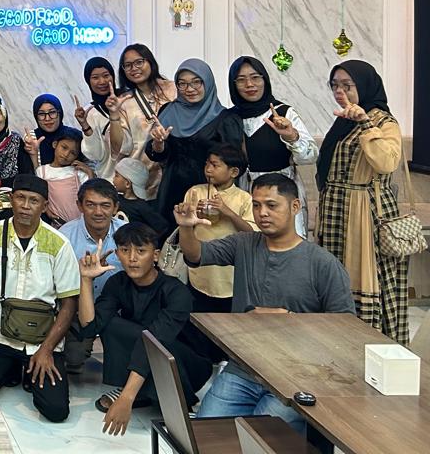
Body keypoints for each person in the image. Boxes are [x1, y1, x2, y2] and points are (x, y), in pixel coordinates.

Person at [177, 173, 354, 432]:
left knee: (259, 438)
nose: (262, 213)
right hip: (244, 368)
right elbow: (197, 255)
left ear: (295, 206)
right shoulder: (244, 244)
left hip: (296, 376)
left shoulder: (322, 263)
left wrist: (289, 319)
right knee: (206, 434)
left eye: (272, 205)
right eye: (257, 205)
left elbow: (345, 326)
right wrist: (186, 227)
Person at [0, 175, 80, 423]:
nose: (25, 206)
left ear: (44, 206)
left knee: (56, 411)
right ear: (11, 200)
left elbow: (69, 304)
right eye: (20, 198)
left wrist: (47, 350)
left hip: (41, 341)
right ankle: (12, 367)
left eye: (34, 200)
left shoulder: (59, 243)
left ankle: (25, 368)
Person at [77, 223, 210, 435]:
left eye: (140, 251)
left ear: (155, 255)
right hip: (148, 352)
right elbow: (90, 327)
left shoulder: (175, 292)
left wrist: (126, 398)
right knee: (112, 324)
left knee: (150, 339)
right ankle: (142, 392)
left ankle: (159, 396)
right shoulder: (118, 283)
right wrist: (85, 279)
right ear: (117, 254)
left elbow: (155, 340)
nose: (132, 258)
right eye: (125, 250)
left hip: (187, 364)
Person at [317, 60, 409, 344]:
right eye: (335, 85)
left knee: (365, 276)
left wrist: (366, 124)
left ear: (365, 85)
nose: (340, 92)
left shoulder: (383, 121)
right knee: (335, 274)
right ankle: (337, 337)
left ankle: (368, 340)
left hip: (364, 212)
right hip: (336, 209)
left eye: (347, 85)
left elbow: (386, 162)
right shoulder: (343, 120)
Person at [229, 56, 318, 237]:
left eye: (255, 77)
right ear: (233, 84)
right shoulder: (229, 118)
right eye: (241, 80)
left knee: (288, 246)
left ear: (265, 80)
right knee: (252, 246)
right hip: (245, 193)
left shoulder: (283, 113)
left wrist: (291, 136)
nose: (249, 84)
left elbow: (310, 157)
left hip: (282, 192)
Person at [147, 59, 244, 224]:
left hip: (210, 195)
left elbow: (235, 163)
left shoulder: (225, 119)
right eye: (182, 84)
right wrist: (158, 143)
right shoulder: (168, 111)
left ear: (207, 82)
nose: (189, 89)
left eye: (196, 82)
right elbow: (157, 155)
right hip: (171, 190)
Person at [58, 178, 128, 372]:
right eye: (91, 205)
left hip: (117, 309)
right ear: (79, 206)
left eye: (105, 205)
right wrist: (85, 276)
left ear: (115, 207)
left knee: (125, 362)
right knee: (74, 358)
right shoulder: (64, 236)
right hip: (77, 308)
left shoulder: (126, 234)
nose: (98, 212)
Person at [182, 143, 255, 316]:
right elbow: (185, 226)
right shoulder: (195, 192)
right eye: (207, 163)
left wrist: (227, 212)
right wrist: (194, 216)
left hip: (229, 275)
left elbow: (252, 233)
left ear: (234, 172)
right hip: (200, 271)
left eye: (215, 165)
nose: (208, 169)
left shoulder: (244, 199)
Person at [116, 44, 176, 198]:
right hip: (141, 174)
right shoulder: (124, 101)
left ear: (150, 61)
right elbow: (122, 147)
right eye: (128, 65)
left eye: (139, 62)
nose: (134, 68)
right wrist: (113, 114)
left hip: (174, 168)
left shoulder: (172, 89)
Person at [75, 57, 128, 179]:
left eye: (106, 75)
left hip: (137, 176)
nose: (102, 81)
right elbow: (96, 155)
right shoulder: (90, 112)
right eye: (95, 78)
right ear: (88, 81)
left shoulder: (126, 99)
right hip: (110, 179)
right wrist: (85, 126)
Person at [29, 128, 88, 227]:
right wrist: (46, 210)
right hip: (58, 225)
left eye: (73, 153)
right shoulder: (42, 172)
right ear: (55, 144)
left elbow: (90, 195)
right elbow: (39, 195)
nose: (66, 154)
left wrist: (89, 172)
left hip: (81, 224)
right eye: (64, 147)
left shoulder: (77, 173)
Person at [113, 157, 170, 236]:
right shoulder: (115, 199)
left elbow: (163, 227)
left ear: (127, 183)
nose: (113, 179)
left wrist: (146, 240)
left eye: (116, 175)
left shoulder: (142, 207)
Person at [31, 94, 78, 167]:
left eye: (52, 112)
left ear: (60, 113)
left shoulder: (73, 136)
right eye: (41, 114)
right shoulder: (31, 137)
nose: (47, 118)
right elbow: (28, 170)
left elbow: (90, 164)